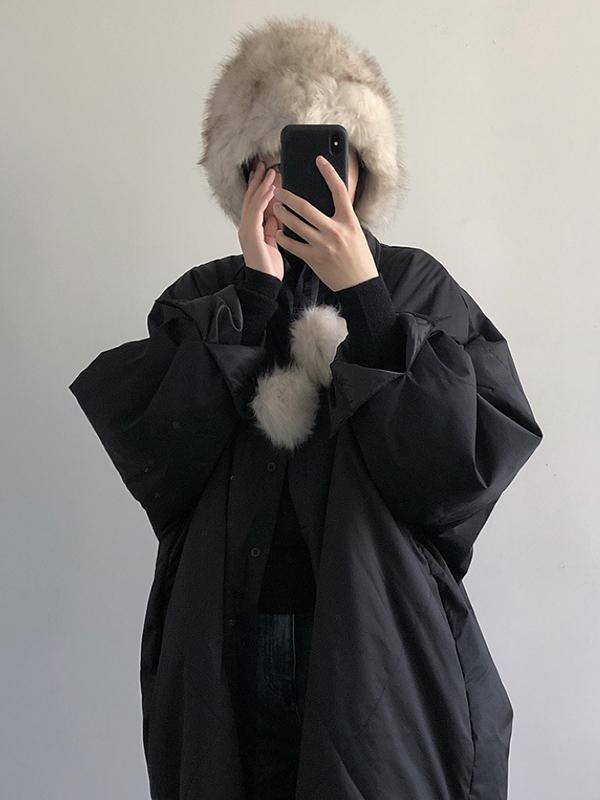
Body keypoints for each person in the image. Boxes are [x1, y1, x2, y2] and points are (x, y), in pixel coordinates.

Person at [69, 15, 543, 800]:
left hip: (380, 645)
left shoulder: (416, 289)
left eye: (321, 156)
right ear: (243, 172)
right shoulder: (207, 297)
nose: (296, 180)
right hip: (225, 646)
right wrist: (253, 297)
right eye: (271, 158)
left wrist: (369, 301)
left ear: (360, 166)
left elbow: (455, 477)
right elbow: (160, 465)